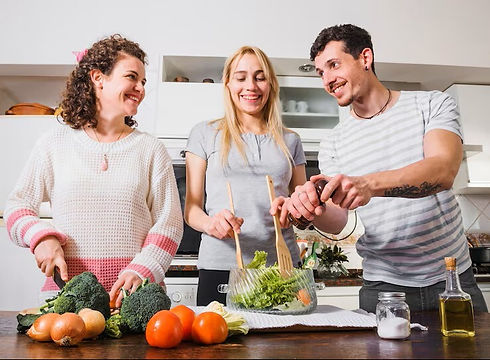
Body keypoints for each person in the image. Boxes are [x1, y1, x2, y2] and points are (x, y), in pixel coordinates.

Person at [279, 24, 487, 312]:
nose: (327, 80)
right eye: (321, 72)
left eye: (334, 65)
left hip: (452, 279)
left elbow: (442, 170)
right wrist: (311, 209)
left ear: (365, 58)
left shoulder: (431, 104)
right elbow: (340, 220)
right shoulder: (333, 143)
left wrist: (368, 185)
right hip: (383, 286)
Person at [4, 34, 183, 308]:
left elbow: (169, 224)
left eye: (143, 81)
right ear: (98, 78)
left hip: (133, 302)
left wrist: (143, 269)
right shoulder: (53, 144)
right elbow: (17, 208)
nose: (140, 88)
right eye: (132, 77)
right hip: (66, 301)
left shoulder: (150, 149)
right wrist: (42, 238)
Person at [184, 46, 307, 305]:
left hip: (281, 266)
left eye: (260, 77)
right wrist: (210, 224)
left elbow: (305, 208)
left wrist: (294, 212)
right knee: (220, 343)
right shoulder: (204, 134)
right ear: (227, 83)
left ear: (271, 84)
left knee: (283, 346)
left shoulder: (291, 140)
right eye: (241, 77)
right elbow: (192, 209)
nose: (251, 86)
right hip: (221, 263)